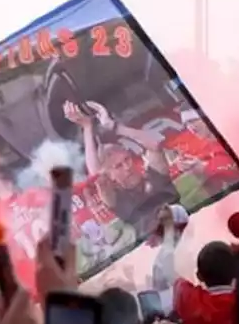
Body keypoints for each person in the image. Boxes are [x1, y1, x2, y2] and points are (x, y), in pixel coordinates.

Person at [64, 99, 181, 238]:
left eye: (127, 159)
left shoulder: (155, 177)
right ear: (110, 175)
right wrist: (87, 127)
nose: (127, 167)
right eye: (118, 166)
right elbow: (96, 175)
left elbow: (153, 144)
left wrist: (114, 127)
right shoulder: (118, 200)